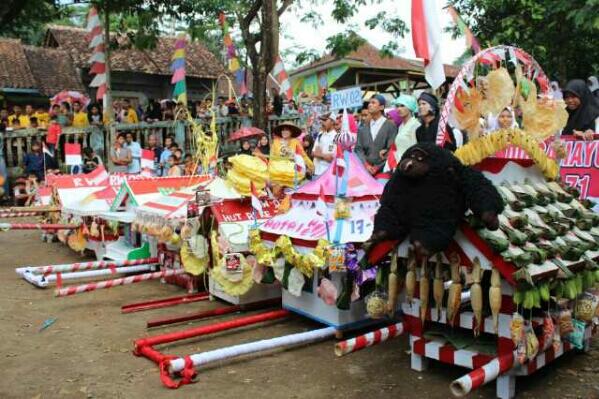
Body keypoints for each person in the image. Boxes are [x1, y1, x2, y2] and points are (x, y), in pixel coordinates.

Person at [355, 94, 397, 176]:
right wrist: (366, 165)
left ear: (381, 107)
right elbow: (358, 149)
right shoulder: (363, 127)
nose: (370, 105)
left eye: (373, 103)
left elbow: (391, 150)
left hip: (384, 171)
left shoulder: (390, 125)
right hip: (365, 170)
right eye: (369, 103)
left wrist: (377, 167)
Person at [392, 94, 420, 160]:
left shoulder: (415, 125)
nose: (399, 109)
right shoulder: (401, 126)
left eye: (402, 106)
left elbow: (416, 148)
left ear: (410, 107)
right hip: (398, 162)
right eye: (397, 106)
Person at [312, 112, 337, 176]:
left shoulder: (336, 137)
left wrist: (319, 154)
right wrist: (324, 156)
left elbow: (331, 158)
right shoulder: (320, 134)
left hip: (328, 173)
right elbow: (313, 153)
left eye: (325, 120)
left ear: (332, 122)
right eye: (322, 120)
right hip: (316, 171)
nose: (322, 122)